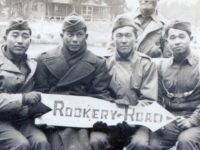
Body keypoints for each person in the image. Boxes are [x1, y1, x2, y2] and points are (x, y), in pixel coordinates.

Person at [34, 12, 111, 150]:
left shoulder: (97, 63)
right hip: (52, 121)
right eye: (70, 34)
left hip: (84, 122)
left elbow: (100, 97)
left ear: (86, 37)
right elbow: (40, 95)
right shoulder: (44, 59)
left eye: (79, 35)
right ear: (62, 36)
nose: (75, 39)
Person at [90, 15, 158, 150]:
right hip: (108, 120)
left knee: (140, 143)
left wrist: (130, 116)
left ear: (136, 38)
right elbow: (97, 94)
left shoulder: (146, 64)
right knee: (96, 140)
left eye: (128, 36)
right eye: (119, 36)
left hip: (138, 121)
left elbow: (149, 99)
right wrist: (113, 111)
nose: (124, 41)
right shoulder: (103, 62)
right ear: (113, 38)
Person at [0, 19, 50, 150]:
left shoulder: (33, 63)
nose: (20, 41)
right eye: (15, 35)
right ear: (5, 38)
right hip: (1, 120)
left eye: (25, 36)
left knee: (41, 143)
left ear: (30, 41)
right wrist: (23, 98)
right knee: (20, 144)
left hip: (22, 120)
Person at [150, 20, 200, 150]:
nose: (177, 41)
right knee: (152, 143)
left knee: (186, 141)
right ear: (167, 43)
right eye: (172, 38)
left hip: (196, 120)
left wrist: (192, 121)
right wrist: (158, 119)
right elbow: (158, 98)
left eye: (182, 36)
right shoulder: (161, 67)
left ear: (191, 38)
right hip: (169, 119)